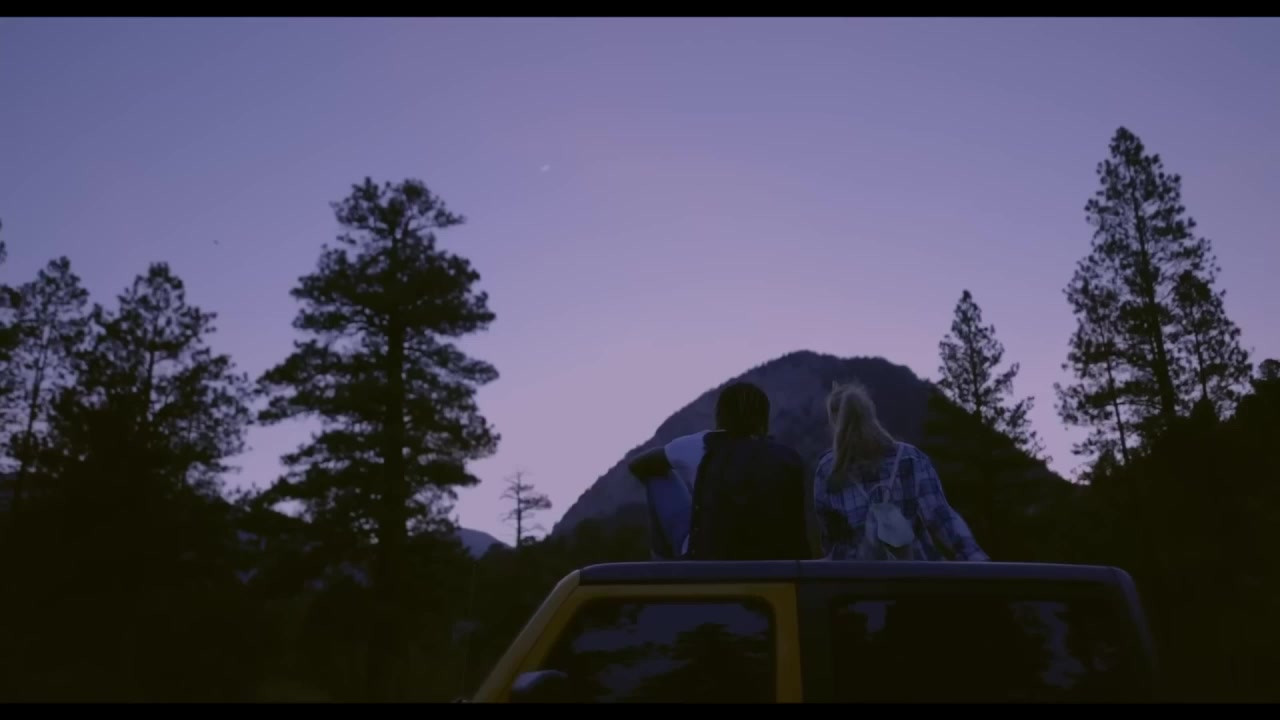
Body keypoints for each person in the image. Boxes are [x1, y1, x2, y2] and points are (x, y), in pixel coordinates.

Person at [628, 381, 811, 561]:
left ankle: (663, 566)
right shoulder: (787, 458)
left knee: (655, 475)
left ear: (720, 416)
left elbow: (637, 464)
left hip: (708, 558)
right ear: (764, 421)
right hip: (774, 562)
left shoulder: (701, 444)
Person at [813, 381, 988, 561]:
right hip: (915, 572)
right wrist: (976, 559)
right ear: (870, 415)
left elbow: (830, 537)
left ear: (835, 422)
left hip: (857, 575)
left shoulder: (828, 469)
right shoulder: (910, 458)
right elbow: (941, 516)